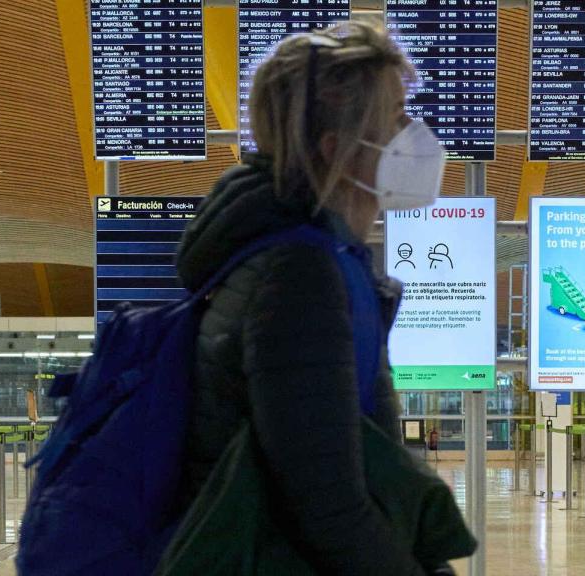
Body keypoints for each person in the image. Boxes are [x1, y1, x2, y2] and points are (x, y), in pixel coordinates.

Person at [175, 21, 448, 575]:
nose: (413, 134)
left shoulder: (308, 258)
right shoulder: (300, 275)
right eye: (396, 117)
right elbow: (326, 504)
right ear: (339, 150)